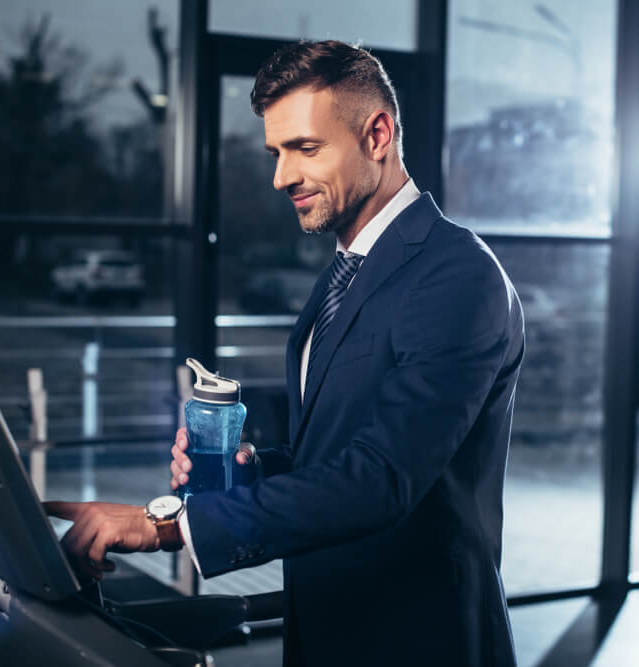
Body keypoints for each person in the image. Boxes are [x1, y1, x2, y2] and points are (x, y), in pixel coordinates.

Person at [44, 39, 525, 666]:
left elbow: (380, 480)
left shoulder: (458, 277)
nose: (281, 177)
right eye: (276, 152)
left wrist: (165, 526)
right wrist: (247, 470)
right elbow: (328, 454)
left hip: (419, 638)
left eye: (305, 148)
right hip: (329, 626)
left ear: (378, 134)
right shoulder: (346, 270)